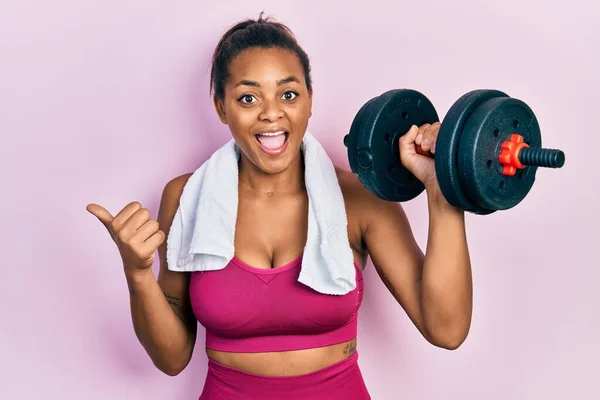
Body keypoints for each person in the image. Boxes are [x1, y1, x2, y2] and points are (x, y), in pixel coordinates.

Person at [87, 13, 473, 399]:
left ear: (309, 101)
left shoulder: (359, 200)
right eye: (248, 97)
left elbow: (446, 329)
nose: (272, 113)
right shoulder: (187, 197)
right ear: (222, 108)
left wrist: (443, 191)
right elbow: (170, 358)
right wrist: (137, 274)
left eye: (288, 94)